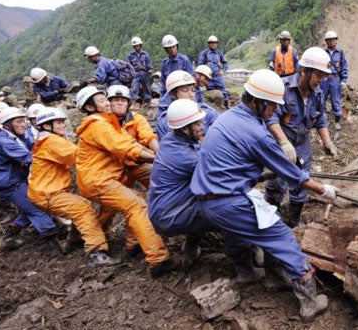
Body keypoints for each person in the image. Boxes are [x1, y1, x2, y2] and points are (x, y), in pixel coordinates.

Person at [190, 69, 337, 323]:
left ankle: (251, 273)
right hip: (228, 202)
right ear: (257, 102)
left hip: (207, 201)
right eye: (271, 107)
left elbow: (232, 163)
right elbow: (295, 176)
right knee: (282, 238)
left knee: (236, 230)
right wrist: (324, 190)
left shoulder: (227, 119)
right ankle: (309, 302)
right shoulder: (256, 133)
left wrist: (259, 174)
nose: (274, 113)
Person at [74, 86, 174, 277]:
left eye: (106, 99)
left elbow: (133, 142)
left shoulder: (109, 123)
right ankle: (159, 259)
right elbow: (125, 148)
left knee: (133, 201)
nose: (109, 103)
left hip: (104, 177)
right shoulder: (98, 125)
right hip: (100, 180)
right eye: (103, 101)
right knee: (137, 207)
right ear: (89, 107)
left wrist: (156, 154)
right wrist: (156, 158)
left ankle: (133, 244)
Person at [28, 107, 119, 266]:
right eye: (58, 122)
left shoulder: (47, 140)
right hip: (48, 194)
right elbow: (79, 156)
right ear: (46, 125)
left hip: (46, 192)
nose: (62, 125)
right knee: (82, 210)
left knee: (82, 205)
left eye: (62, 121)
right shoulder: (51, 141)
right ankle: (97, 253)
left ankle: (75, 240)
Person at [148, 99, 231, 270]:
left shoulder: (172, 140)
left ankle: (190, 250)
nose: (202, 126)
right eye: (197, 123)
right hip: (171, 215)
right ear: (185, 128)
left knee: (202, 198)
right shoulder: (184, 155)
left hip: (168, 208)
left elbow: (205, 153)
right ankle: (244, 266)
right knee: (229, 209)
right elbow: (219, 173)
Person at [265, 47, 338, 227]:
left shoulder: (318, 93)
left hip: (302, 145)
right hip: (280, 144)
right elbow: (271, 117)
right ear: (304, 71)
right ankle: (271, 223)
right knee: (276, 185)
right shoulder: (283, 88)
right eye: (318, 75)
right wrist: (283, 142)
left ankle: (293, 221)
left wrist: (326, 141)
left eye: (323, 76)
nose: (320, 81)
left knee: (301, 185)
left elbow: (320, 117)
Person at [0, 107, 60, 252]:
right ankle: (54, 246)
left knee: (27, 209)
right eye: (19, 121)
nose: (24, 124)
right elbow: (29, 158)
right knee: (38, 208)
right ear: (8, 124)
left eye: (24, 121)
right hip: (9, 184)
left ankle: (9, 238)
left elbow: (35, 147)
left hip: (17, 180)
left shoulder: (19, 137)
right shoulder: (4, 141)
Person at [155, 70, 218, 140]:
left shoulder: (209, 114)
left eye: (193, 90)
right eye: (185, 90)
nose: (191, 95)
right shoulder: (164, 122)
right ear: (172, 94)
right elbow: (167, 148)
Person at [320, 31, 348, 130]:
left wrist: (343, 80)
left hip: (335, 79)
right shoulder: (323, 53)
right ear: (326, 42)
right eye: (329, 40)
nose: (331, 42)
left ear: (336, 41)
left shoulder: (340, 53)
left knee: (336, 101)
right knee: (321, 100)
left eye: (333, 40)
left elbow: (344, 66)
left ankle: (337, 121)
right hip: (325, 79)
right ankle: (323, 120)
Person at [198, 35, 229, 108]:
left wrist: (223, 70)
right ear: (209, 43)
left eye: (215, 42)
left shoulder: (219, 53)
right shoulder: (205, 53)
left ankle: (227, 106)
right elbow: (200, 64)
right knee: (211, 94)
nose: (214, 44)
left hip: (218, 77)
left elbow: (225, 63)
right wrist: (205, 67)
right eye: (212, 43)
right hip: (209, 78)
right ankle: (214, 108)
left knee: (223, 92)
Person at [126, 36, 152, 105]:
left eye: (137, 45)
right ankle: (134, 101)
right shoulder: (130, 55)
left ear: (140, 45)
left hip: (144, 73)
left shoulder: (145, 54)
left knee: (147, 87)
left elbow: (149, 64)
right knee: (134, 87)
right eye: (135, 46)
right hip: (135, 73)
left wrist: (149, 70)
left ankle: (148, 101)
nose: (136, 47)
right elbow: (128, 65)